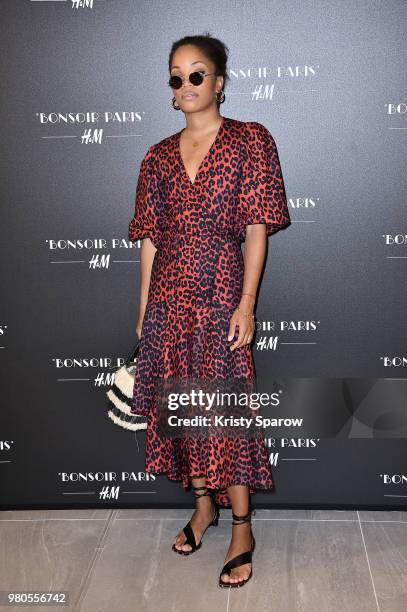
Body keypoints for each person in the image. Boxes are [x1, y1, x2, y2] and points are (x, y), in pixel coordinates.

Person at [128, 33, 291, 588]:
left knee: (225, 415)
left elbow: (256, 230)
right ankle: (204, 507)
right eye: (176, 77)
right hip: (170, 301)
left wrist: (246, 303)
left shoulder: (250, 141)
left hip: (221, 293)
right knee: (184, 411)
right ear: (170, 91)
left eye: (197, 74)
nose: (186, 85)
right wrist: (144, 311)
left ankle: (242, 526)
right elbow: (149, 240)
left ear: (219, 81)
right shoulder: (155, 157)